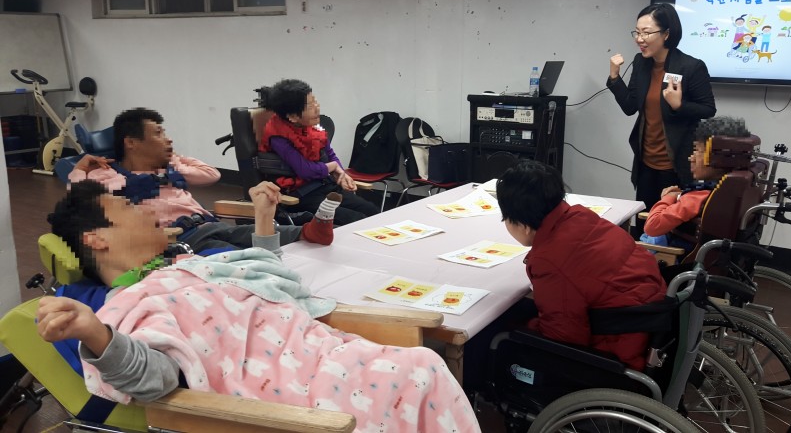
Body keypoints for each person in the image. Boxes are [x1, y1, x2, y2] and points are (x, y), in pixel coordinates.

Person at [37, 179, 479, 432]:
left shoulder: (189, 262)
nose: (146, 210)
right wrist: (95, 334)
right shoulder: (129, 304)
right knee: (406, 380)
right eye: (127, 207)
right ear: (97, 238)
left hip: (324, 354)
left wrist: (263, 217)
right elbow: (156, 381)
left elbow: (266, 280)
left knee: (423, 364)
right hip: (290, 398)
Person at [69, 108, 340, 253]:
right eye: (159, 133)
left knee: (259, 232)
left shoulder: (170, 170)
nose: (168, 139)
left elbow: (211, 174)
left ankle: (310, 231)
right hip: (178, 238)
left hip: (208, 224)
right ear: (132, 143)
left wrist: (174, 159)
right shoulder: (109, 176)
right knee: (234, 253)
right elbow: (79, 199)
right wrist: (80, 169)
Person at [495, 160, 666, 371]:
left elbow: (564, 337)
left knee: (499, 329)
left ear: (523, 224)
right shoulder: (580, 216)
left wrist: (524, 327)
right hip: (649, 321)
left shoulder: (550, 259)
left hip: (618, 350)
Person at [607, 2, 717, 237]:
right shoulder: (641, 63)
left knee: (675, 231)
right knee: (645, 226)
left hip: (677, 165)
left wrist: (679, 105)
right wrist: (615, 78)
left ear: (666, 34)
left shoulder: (691, 67)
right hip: (646, 162)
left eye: (646, 32)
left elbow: (708, 109)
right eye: (637, 32)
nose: (640, 39)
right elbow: (630, 107)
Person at [259, 79, 379, 225]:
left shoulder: (312, 127)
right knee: (355, 220)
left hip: (325, 186)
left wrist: (342, 174)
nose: (317, 108)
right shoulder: (278, 138)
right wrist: (333, 167)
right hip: (302, 195)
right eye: (310, 106)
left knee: (372, 211)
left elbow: (330, 154)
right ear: (293, 116)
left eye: (315, 101)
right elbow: (305, 170)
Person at [644, 116, 752, 239]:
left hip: (674, 250)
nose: (691, 158)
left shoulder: (697, 197)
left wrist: (668, 197)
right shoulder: (731, 189)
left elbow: (652, 226)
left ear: (718, 159)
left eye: (698, 151)